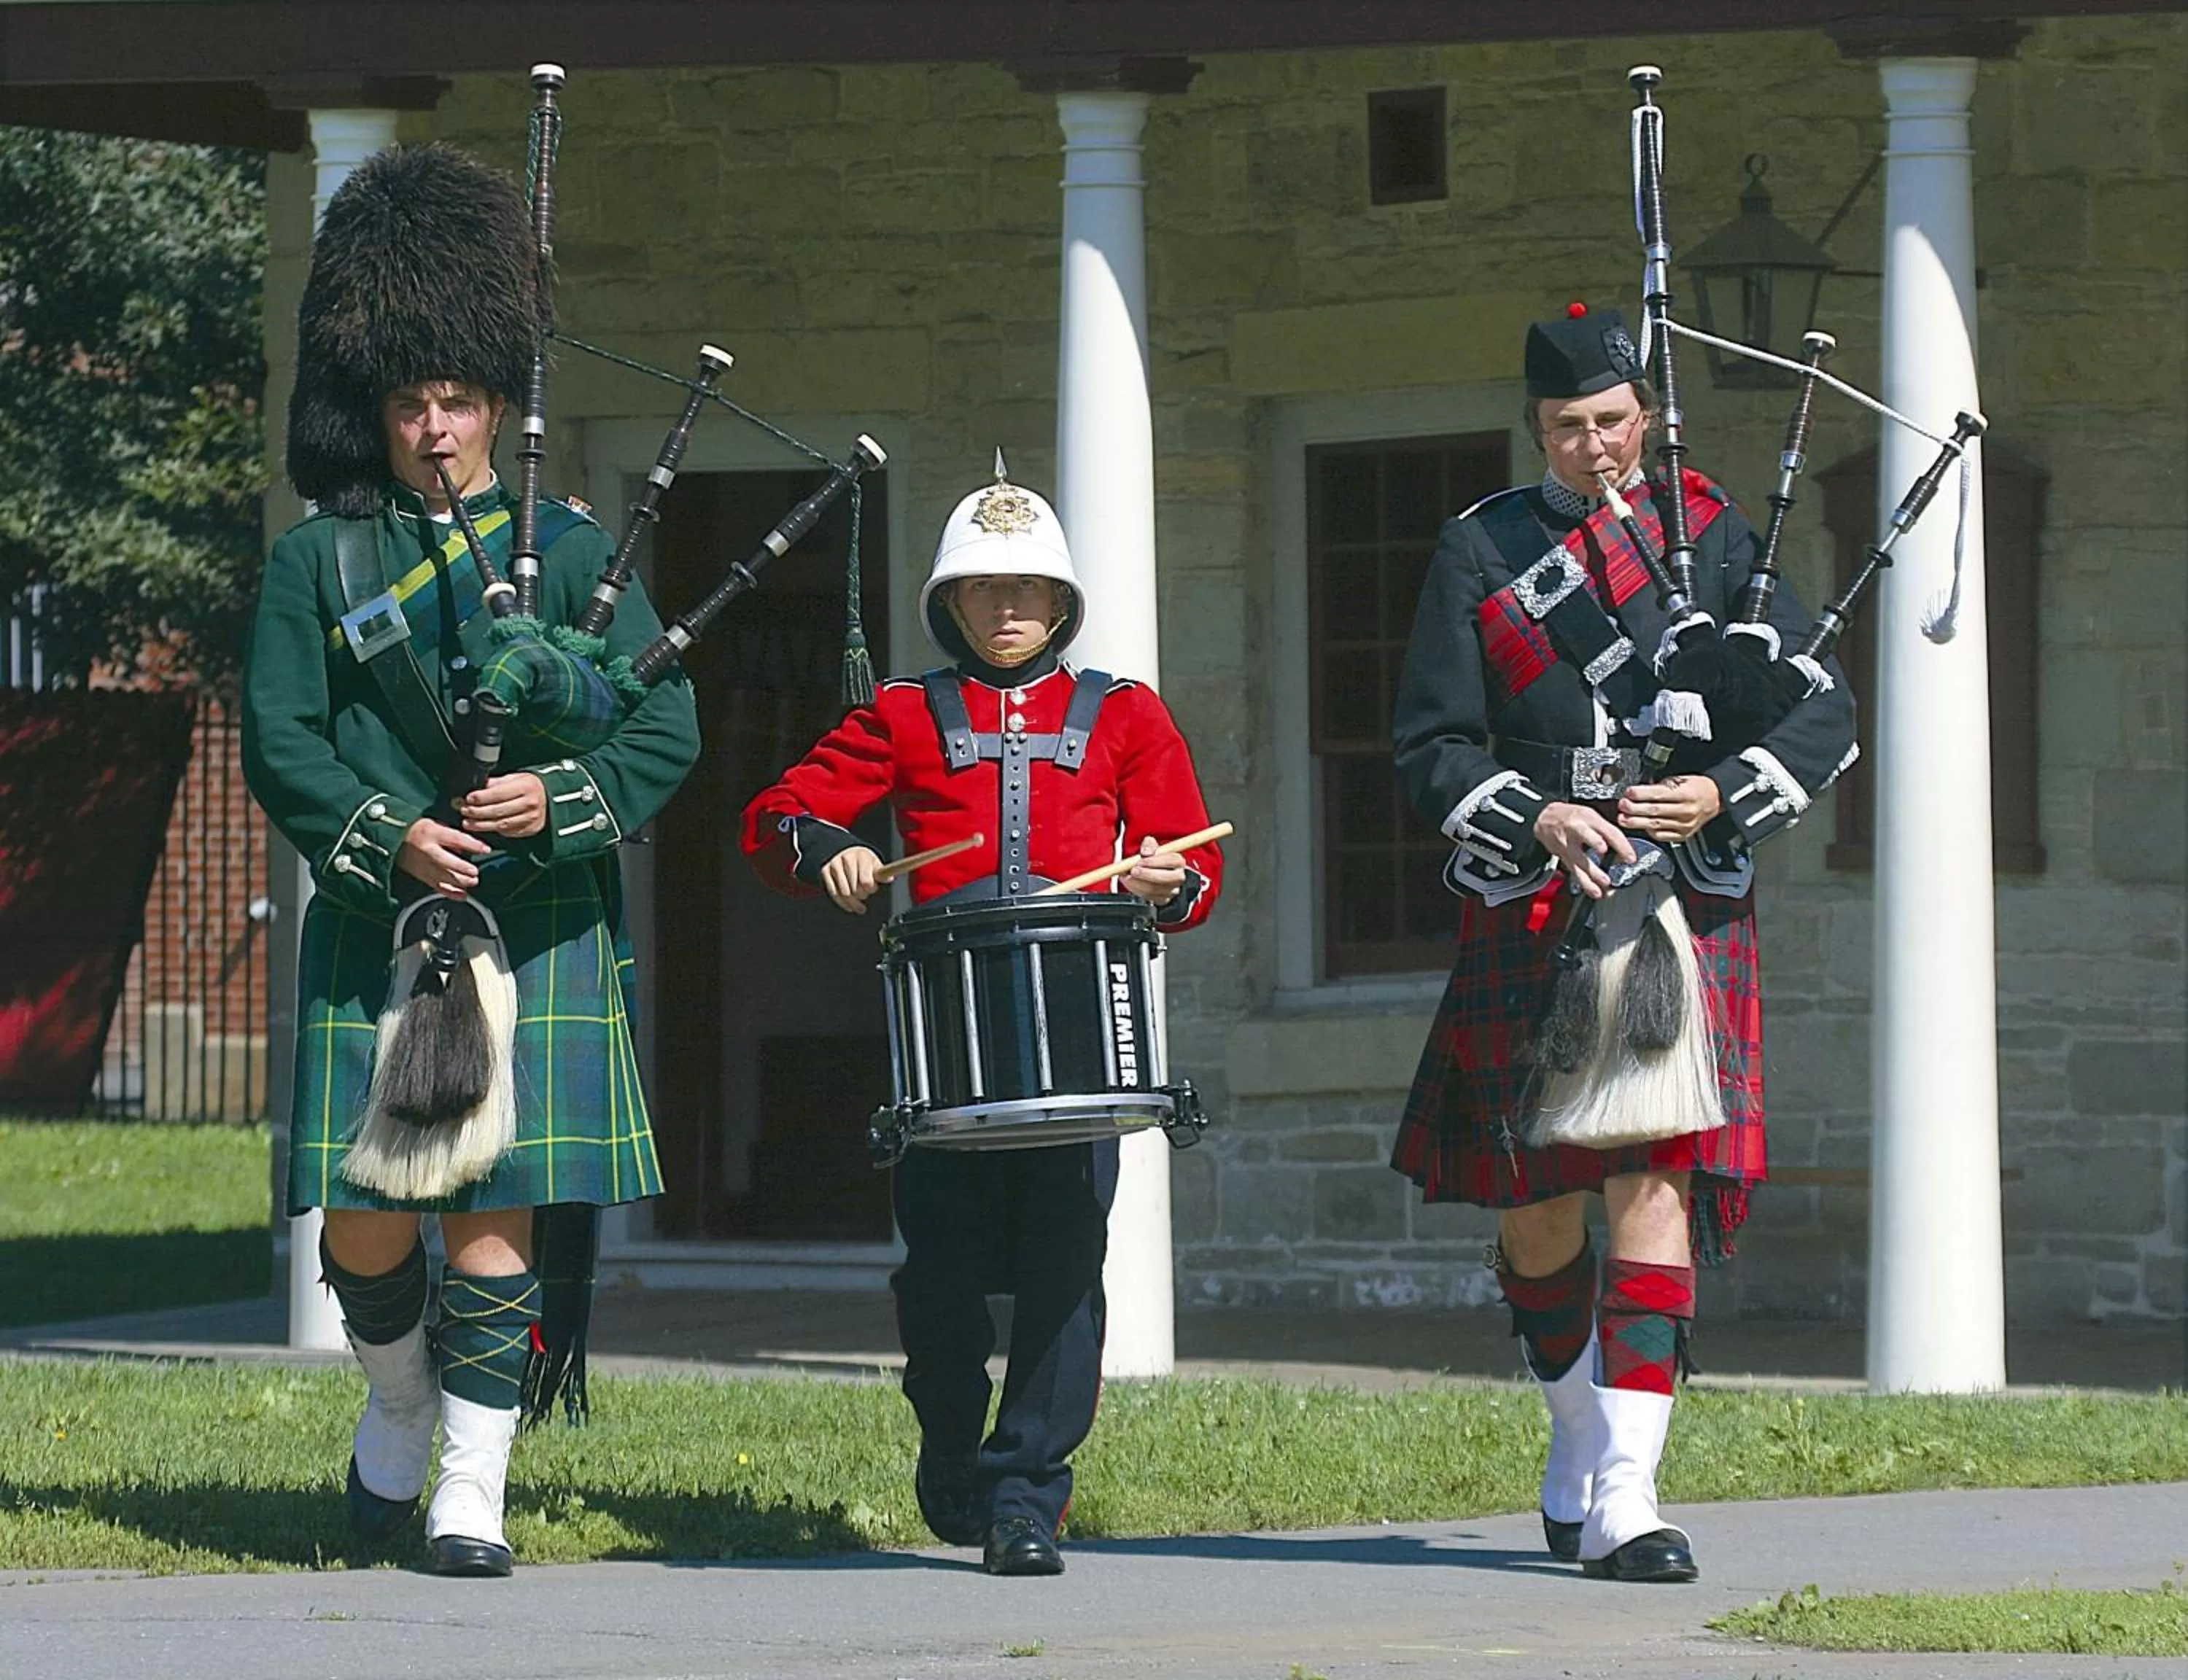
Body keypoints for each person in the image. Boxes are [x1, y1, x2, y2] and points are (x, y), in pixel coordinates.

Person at [241, 144, 698, 1576]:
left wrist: (554, 800)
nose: (434, 429)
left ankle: (471, 1494)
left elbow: (660, 721)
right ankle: (397, 1407)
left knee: (498, 1212)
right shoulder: (321, 565)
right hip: (385, 924)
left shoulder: (570, 556)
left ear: (499, 402)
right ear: (372, 412)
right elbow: (281, 738)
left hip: (542, 927)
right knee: (373, 1226)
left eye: (457, 400)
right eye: (408, 403)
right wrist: (390, 837)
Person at [1389, 304, 1855, 1582]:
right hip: (1540, 903)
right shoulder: (1481, 550)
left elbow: (1823, 709)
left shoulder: (1713, 537)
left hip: (1679, 907)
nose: (1592, 446)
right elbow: (1430, 743)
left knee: (1654, 1186)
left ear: (1643, 416)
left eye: (1610, 422)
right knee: (1542, 1212)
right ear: (1535, 428)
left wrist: (1719, 793)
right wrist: (1535, 812)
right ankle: (1579, 1436)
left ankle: (1629, 1501)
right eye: (1565, 428)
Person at [742, 461, 1222, 1576]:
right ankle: (952, 1444)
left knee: (1064, 1272)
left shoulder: (1127, 715)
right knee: (941, 1277)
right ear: (950, 604)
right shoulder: (903, 713)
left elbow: (1194, 870)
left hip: (1079, 1038)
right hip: (948, 1052)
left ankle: (1025, 1499)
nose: (1009, 611)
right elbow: (775, 817)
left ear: (1060, 603)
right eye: (984, 590)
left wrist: (1162, 880)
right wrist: (834, 848)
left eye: (1029, 591)